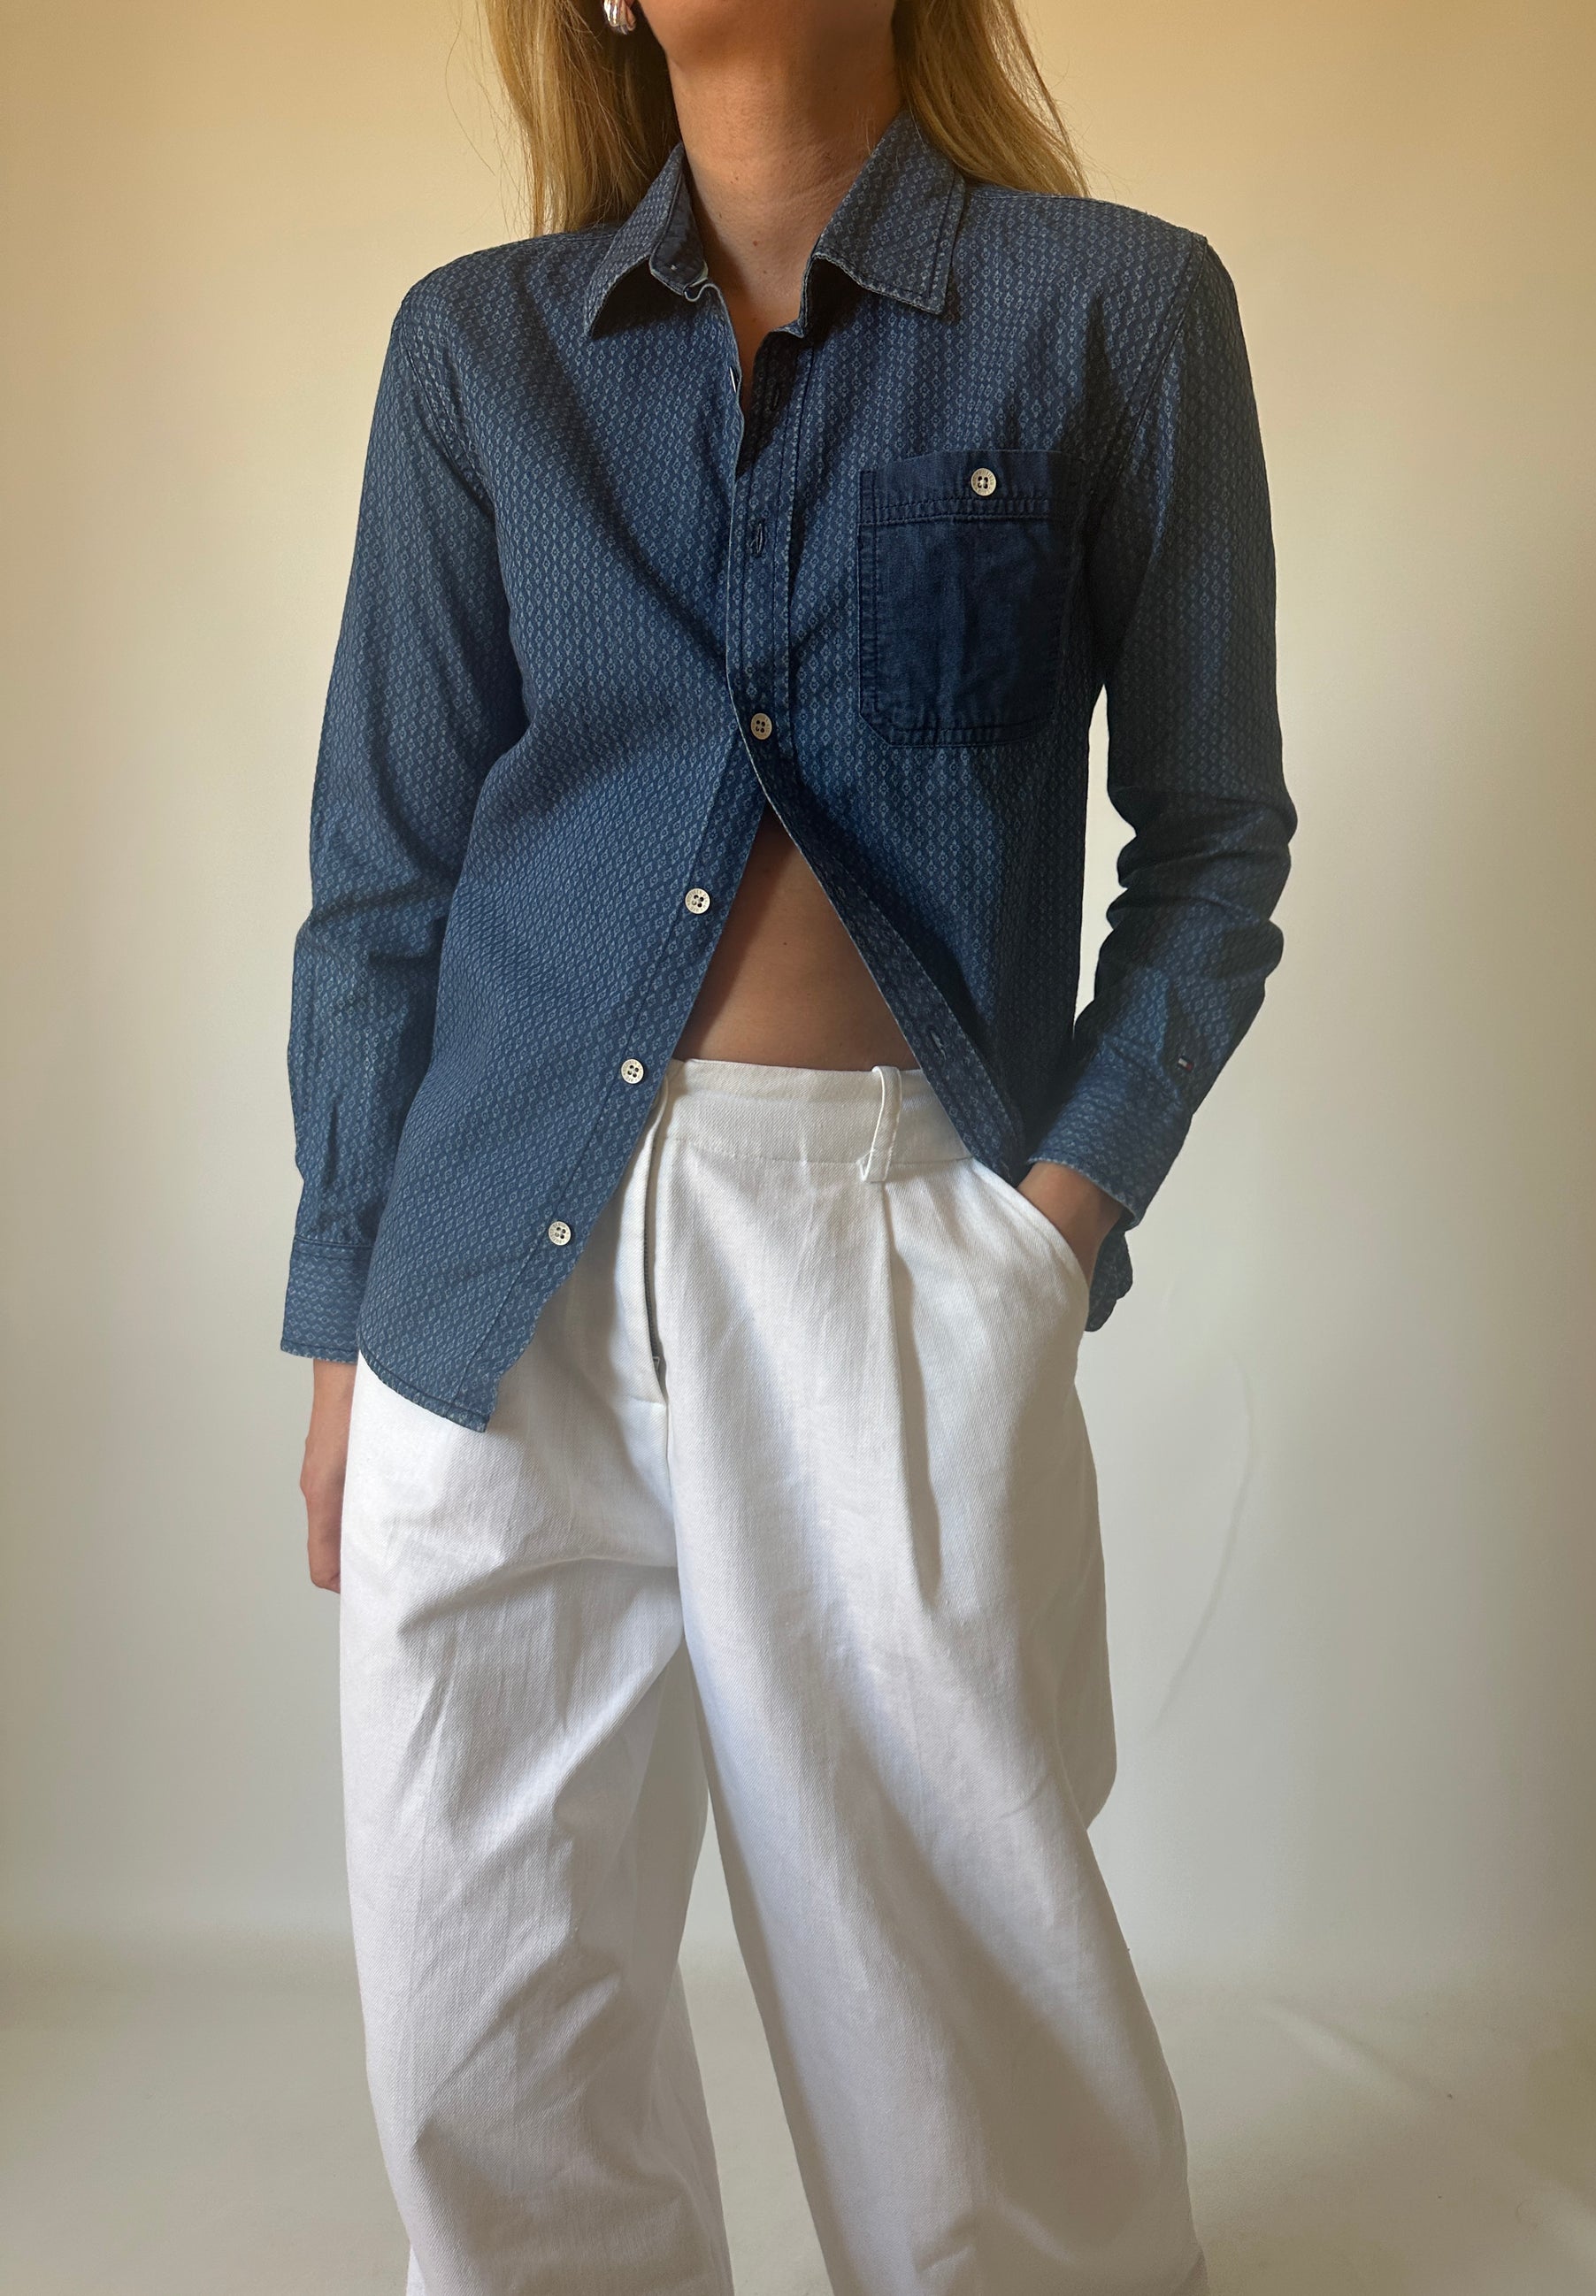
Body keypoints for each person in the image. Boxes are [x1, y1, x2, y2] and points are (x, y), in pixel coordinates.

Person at [285, 0, 1293, 2288]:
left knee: (946, 1978)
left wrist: (1045, 1228)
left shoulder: (1114, 314)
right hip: (486, 1260)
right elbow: (385, 875)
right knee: (483, 1984)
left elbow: (1214, 848)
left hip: (883, 1238)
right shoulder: (479, 355)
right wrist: (344, 1310)